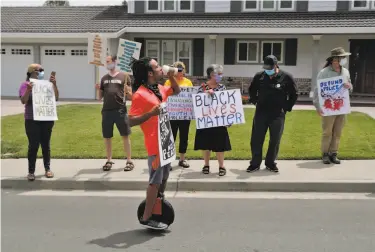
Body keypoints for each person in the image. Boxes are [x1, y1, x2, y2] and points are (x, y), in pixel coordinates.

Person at [128, 57, 180, 229]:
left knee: (164, 177)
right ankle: (146, 217)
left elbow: (176, 90)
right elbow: (130, 121)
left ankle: (158, 202)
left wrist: (172, 75)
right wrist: (150, 114)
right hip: (154, 144)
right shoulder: (140, 95)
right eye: (157, 67)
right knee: (155, 180)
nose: (160, 69)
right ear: (150, 73)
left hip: (165, 141)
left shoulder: (159, 89)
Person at [247, 55, 298, 173]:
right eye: (266, 68)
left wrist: (286, 107)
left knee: (275, 139)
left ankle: (270, 163)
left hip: (277, 114)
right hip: (261, 112)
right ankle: (254, 163)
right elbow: (252, 90)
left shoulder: (286, 77)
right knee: (256, 139)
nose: (268, 70)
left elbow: (294, 94)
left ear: (276, 66)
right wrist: (255, 101)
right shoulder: (259, 76)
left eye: (270, 68)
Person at [19, 63, 59, 181]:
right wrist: (28, 90)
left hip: (46, 119)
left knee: (46, 145)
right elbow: (23, 100)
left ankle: (48, 169)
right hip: (32, 120)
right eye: (39, 70)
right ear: (31, 72)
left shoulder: (47, 85)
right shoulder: (25, 85)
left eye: (42, 70)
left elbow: (56, 97)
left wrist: (54, 85)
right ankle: (31, 171)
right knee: (33, 145)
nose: (42, 72)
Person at [313, 47, 352, 164]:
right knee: (327, 132)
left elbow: (350, 86)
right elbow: (317, 91)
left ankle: (333, 153)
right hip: (328, 107)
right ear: (334, 60)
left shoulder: (345, 71)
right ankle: (325, 154)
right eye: (342, 58)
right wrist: (318, 106)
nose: (344, 60)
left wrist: (349, 86)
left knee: (338, 132)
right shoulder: (324, 73)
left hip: (341, 106)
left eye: (344, 58)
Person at [95, 55, 134, 172]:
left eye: (109, 62)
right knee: (107, 137)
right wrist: (98, 89)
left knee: (125, 135)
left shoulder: (124, 76)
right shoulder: (104, 78)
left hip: (120, 110)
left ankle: (129, 160)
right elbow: (99, 97)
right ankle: (108, 159)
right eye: (106, 62)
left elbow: (132, 97)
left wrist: (128, 92)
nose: (107, 64)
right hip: (106, 111)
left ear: (114, 62)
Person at [194, 64, 231, 177]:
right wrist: (206, 94)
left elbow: (226, 104)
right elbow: (198, 103)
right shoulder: (202, 87)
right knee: (205, 144)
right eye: (219, 74)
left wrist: (228, 119)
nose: (221, 76)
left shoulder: (222, 88)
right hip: (206, 121)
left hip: (219, 122)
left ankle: (221, 166)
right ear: (212, 75)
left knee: (220, 144)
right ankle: (206, 165)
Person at [164, 61, 193, 169]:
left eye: (182, 70)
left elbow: (191, 96)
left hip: (185, 114)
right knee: (171, 137)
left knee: (184, 136)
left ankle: (182, 159)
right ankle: (169, 161)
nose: (180, 73)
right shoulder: (168, 82)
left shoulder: (188, 82)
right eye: (178, 70)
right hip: (172, 114)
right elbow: (165, 94)